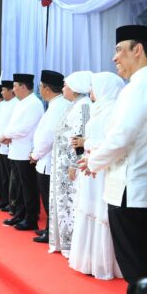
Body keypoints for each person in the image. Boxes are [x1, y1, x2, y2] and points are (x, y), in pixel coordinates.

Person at [80, 24, 147, 294]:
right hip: (141, 186)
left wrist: (93, 161)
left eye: (120, 49)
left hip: (130, 188)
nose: (114, 56)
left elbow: (121, 138)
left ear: (138, 49)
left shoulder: (138, 87)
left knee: (136, 261)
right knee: (142, 256)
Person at [68, 72, 125, 280]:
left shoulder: (112, 110)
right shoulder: (99, 108)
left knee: (101, 211)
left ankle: (103, 262)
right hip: (91, 164)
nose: (91, 91)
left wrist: (86, 143)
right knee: (89, 208)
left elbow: (110, 142)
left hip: (102, 167)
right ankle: (90, 258)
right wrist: (86, 143)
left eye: (94, 86)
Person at [49, 71, 92, 256]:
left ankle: (72, 244)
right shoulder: (74, 104)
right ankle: (63, 241)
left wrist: (75, 164)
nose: (63, 88)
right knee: (62, 202)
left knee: (71, 203)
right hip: (62, 164)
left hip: (71, 167)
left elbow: (80, 137)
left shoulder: (83, 105)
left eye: (66, 85)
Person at [29, 70, 70, 243]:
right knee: (49, 200)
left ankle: (51, 232)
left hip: (48, 161)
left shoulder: (58, 106)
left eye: (40, 86)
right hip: (46, 159)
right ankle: (49, 229)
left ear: (46, 88)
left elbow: (48, 136)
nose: (39, 89)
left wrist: (35, 154)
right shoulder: (57, 104)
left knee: (49, 200)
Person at [2, 73, 44, 231]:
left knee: (28, 187)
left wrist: (6, 135)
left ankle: (31, 218)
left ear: (24, 87)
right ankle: (20, 214)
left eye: (15, 86)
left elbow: (24, 128)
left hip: (26, 151)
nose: (13, 90)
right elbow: (12, 125)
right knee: (19, 186)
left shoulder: (34, 103)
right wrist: (7, 135)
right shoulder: (21, 103)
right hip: (16, 150)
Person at [0, 80, 18, 211]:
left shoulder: (16, 104)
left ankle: (11, 203)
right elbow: (0, 124)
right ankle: (4, 199)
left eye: (3, 90)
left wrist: (1, 138)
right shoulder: (4, 105)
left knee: (11, 178)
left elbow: (11, 126)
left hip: (9, 145)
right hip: (0, 146)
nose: (1, 92)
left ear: (10, 91)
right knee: (3, 177)